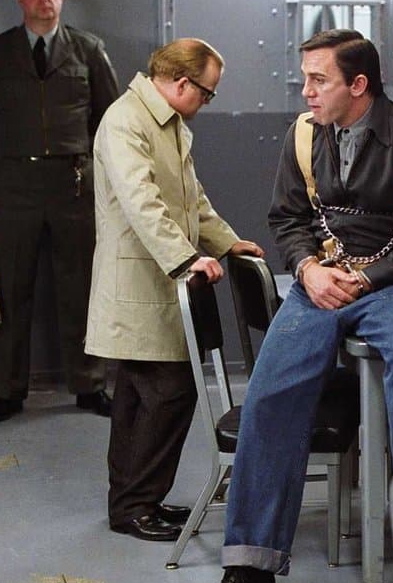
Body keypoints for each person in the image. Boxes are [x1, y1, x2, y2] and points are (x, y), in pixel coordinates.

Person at [192, 29, 393, 583]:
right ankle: (251, 569)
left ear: (358, 85)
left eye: (319, 80)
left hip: (391, 285)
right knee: (270, 390)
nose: (306, 91)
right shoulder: (303, 134)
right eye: (305, 78)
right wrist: (309, 269)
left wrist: (365, 279)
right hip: (317, 284)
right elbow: (287, 219)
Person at [85, 38, 264, 541]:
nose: (206, 102)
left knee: (139, 398)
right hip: (140, 282)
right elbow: (142, 202)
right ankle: (134, 505)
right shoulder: (127, 122)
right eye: (207, 93)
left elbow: (192, 201)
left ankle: (134, 502)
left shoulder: (166, 123)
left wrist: (226, 242)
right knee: (169, 392)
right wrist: (187, 258)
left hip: (158, 281)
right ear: (183, 83)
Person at [0, 0, 120, 422]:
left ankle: (90, 384)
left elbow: (111, 121)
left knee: (80, 287)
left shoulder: (88, 49)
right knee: (11, 290)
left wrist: (113, 185)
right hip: (15, 186)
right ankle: (9, 391)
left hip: (75, 183)